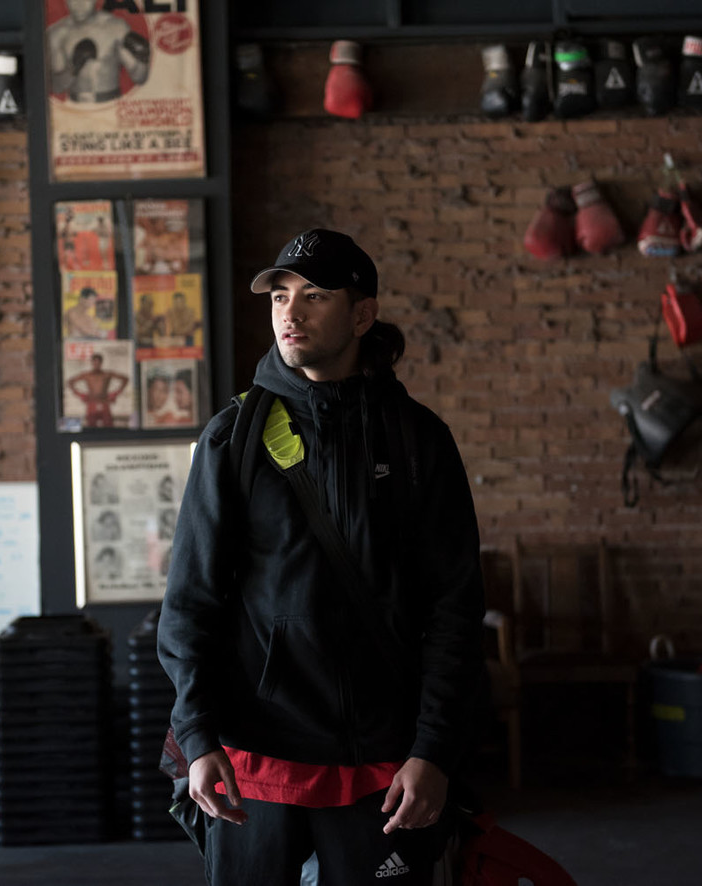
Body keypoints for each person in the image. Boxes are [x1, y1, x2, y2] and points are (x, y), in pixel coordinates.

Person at [157, 229, 485, 886]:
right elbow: (190, 601)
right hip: (255, 758)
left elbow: (455, 609)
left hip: (383, 763)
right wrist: (197, 739)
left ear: (362, 314)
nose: (290, 312)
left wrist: (434, 752)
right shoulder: (234, 438)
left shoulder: (418, 441)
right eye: (279, 295)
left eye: (314, 295)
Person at [46, 0, 150, 104]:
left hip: (112, 104)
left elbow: (140, 78)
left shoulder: (115, 27)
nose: (79, 5)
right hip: (76, 108)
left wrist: (143, 58)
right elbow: (56, 87)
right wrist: (74, 68)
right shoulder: (56, 33)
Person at [67, 353, 128, 427]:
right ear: (92, 363)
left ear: (101, 363)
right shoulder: (87, 375)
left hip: (104, 402)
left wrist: (116, 393)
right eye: (94, 362)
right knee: (91, 426)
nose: (96, 364)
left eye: (98, 362)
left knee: (108, 425)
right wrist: (80, 394)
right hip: (91, 403)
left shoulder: (107, 374)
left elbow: (125, 379)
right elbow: (70, 382)